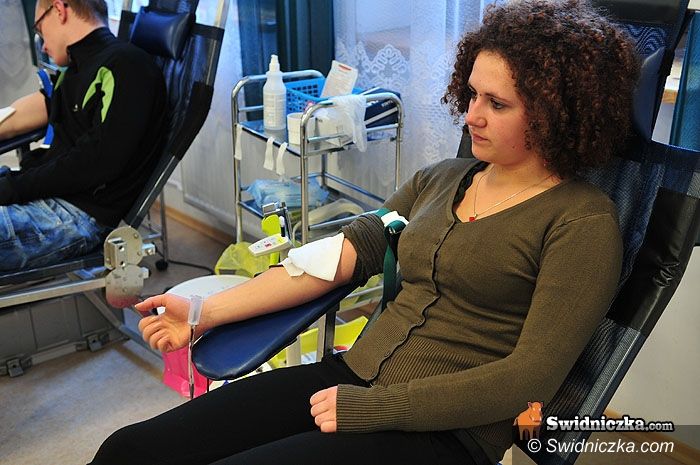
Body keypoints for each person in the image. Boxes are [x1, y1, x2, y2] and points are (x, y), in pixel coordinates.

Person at [90, 0, 640, 464]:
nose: (471, 115)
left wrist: (377, 408)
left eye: (497, 104)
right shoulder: (440, 180)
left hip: (444, 434)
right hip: (352, 377)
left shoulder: (581, 223)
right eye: (472, 94)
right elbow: (332, 260)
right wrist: (202, 313)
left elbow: (529, 379)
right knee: (130, 450)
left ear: (556, 114)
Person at [0, 0, 166, 271]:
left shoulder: (125, 65)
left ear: (59, 10)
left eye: (39, 29)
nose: (43, 45)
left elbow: (97, 161)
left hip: (75, 213)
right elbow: (35, 108)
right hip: (51, 198)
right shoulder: (78, 69)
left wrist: (13, 187)